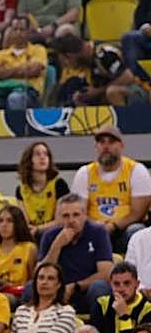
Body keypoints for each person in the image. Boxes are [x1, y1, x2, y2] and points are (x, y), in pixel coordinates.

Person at [70, 125, 151, 255]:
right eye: (102, 142)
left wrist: (113, 226)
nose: (106, 146)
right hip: (92, 230)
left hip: (123, 230)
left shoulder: (136, 170)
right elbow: (78, 211)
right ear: (96, 147)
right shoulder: (85, 173)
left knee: (137, 231)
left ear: (121, 145)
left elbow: (138, 213)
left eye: (111, 142)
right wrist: (96, 226)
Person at [35, 192, 114, 314]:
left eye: (76, 215)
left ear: (85, 215)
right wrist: (57, 246)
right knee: (30, 288)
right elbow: (39, 274)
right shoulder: (50, 235)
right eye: (66, 216)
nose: (71, 220)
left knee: (99, 288)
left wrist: (75, 286)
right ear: (58, 218)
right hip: (56, 290)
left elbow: (106, 273)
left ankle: (100, 331)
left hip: (85, 290)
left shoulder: (98, 233)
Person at [0, 15, 47, 111]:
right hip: (2, 92)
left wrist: (5, 72)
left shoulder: (38, 49)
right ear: (10, 31)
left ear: (28, 32)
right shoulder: (2, 53)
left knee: (14, 98)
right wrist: (22, 69)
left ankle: (17, 126)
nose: (18, 33)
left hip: (28, 93)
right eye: (15, 29)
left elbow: (34, 70)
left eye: (22, 29)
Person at [93, 262, 151, 333]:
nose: (121, 289)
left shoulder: (147, 309)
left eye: (127, 283)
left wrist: (124, 317)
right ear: (110, 284)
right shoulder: (101, 305)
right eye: (116, 284)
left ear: (137, 285)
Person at [15, 140, 69, 236]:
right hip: (31, 234)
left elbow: (61, 221)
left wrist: (38, 229)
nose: (42, 157)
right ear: (29, 160)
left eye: (46, 154)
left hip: (55, 233)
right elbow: (25, 222)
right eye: (37, 154)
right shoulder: (21, 190)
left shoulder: (59, 185)